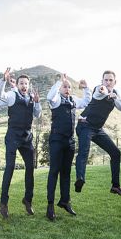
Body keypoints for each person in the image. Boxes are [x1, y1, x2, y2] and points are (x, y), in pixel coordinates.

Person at [0, 68, 41, 219]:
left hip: (27, 138)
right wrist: (3, 80)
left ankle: (28, 200)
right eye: (21, 83)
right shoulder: (12, 95)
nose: (23, 85)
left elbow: (37, 114)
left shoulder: (31, 97)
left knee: (30, 168)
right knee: (9, 168)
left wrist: (38, 103)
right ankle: (3, 203)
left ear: (28, 85)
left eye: (26, 83)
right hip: (13, 136)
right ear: (18, 84)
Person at [74, 70, 121, 197]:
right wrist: (105, 91)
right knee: (84, 151)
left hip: (97, 129)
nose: (108, 82)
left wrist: (114, 96)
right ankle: (80, 179)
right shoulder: (99, 89)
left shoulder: (115, 93)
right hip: (85, 125)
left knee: (116, 153)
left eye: (111, 80)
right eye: (106, 80)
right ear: (102, 81)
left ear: (115, 82)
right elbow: (100, 93)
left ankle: (115, 186)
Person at [45, 74, 89, 220]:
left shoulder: (73, 100)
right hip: (56, 140)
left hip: (70, 141)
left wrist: (86, 88)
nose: (67, 89)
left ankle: (65, 201)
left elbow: (86, 101)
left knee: (66, 173)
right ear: (60, 88)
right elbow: (50, 96)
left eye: (69, 86)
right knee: (54, 172)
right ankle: (50, 206)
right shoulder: (56, 100)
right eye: (65, 86)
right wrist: (59, 81)